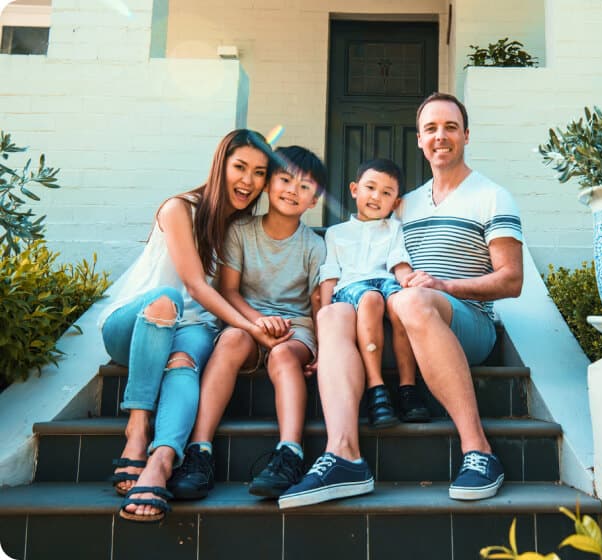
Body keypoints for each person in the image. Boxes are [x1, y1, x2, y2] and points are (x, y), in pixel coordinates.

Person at [279, 92, 524, 510]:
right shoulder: (403, 204)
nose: (440, 136)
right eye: (431, 128)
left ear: (467, 135)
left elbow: (512, 280)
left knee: (412, 302)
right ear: (419, 139)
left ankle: (479, 450)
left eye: (450, 127)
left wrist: (444, 287)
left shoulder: (491, 196)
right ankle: (343, 455)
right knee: (337, 312)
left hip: (466, 324)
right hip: (398, 330)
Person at [99, 129, 280, 522]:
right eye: (240, 168)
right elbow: (195, 286)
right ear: (221, 166)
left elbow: (231, 294)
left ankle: (161, 460)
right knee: (166, 298)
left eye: (260, 173)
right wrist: (251, 329)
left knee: (183, 359)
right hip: (134, 325)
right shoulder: (178, 208)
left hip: (191, 329)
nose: (249, 181)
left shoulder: (240, 230)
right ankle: (137, 428)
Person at [167, 146, 327, 500]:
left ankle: (289, 453)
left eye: (304, 187)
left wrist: (323, 349)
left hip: (294, 328)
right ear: (269, 184)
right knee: (230, 342)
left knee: (284, 355)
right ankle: (199, 452)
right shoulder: (240, 231)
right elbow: (228, 290)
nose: (291, 190)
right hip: (245, 318)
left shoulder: (315, 246)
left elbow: (317, 304)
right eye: (284, 179)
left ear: (314, 200)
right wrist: (257, 322)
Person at [319, 158, 429, 428]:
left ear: (395, 202)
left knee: (400, 303)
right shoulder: (335, 233)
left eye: (386, 192)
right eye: (370, 188)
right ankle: (375, 387)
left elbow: (399, 263)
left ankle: (407, 388)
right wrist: (323, 313)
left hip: (386, 281)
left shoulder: (394, 229)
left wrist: (409, 285)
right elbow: (330, 274)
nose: (376, 196)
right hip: (352, 288)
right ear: (355, 189)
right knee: (370, 299)